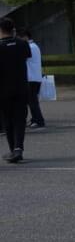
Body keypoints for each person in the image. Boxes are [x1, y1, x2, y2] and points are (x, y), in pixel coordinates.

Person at [0, 17, 32, 162]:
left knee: (7, 119)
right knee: (20, 118)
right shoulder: (23, 44)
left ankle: (13, 149)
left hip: (3, 89)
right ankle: (18, 148)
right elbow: (25, 60)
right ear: (12, 29)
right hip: (21, 86)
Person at [18, 28, 45, 129]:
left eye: (20, 38)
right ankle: (35, 119)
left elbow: (22, 58)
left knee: (32, 101)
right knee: (32, 100)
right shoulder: (35, 46)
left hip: (31, 78)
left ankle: (39, 120)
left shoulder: (30, 47)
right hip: (35, 77)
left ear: (25, 37)